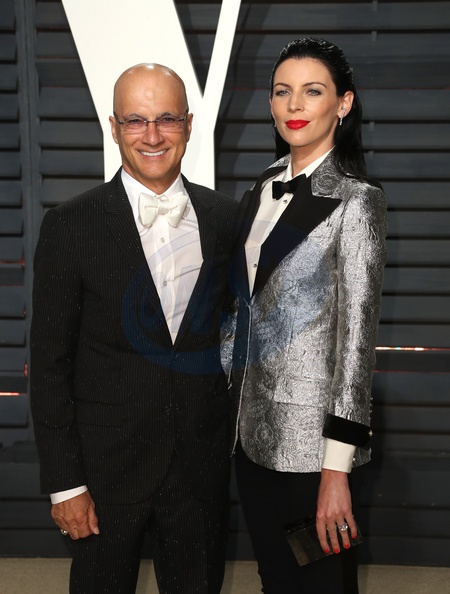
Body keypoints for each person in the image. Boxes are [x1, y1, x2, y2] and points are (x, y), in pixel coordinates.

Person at [30, 63, 238, 594]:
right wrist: (65, 484)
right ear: (114, 127)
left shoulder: (225, 219)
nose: (152, 135)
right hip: (104, 474)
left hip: (198, 470)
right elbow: (49, 367)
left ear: (188, 125)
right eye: (135, 121)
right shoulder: (69, 225)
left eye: (166, 119)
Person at [225, 37, 387, 593]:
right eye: (282, 92)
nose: (294, 105)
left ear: (343, 103)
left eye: (312, 91)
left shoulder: (357, 201)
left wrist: (335, 471)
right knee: (275, 579)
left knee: (320, 584)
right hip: (250, 437)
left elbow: (356, 345)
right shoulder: (261, 186)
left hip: (313, 453)